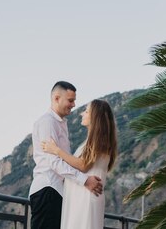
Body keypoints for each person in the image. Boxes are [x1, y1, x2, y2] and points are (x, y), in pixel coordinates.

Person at [29, 81, 104, 229]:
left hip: (56, 192)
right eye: (70, 100)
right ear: (57, 98)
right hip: (48, 189)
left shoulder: (61, 123)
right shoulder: (47, 123)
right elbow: (54, 162)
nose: (74, 104)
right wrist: (85, 181)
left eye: (74, 100)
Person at [42, 99, 118, 229]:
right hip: (81, 198)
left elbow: (83, 165)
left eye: (87, 111)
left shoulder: (99, 141)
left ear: (95, 117)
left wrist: (56, 150)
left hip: (86, 199)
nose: (82, 114)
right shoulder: (93, 142)